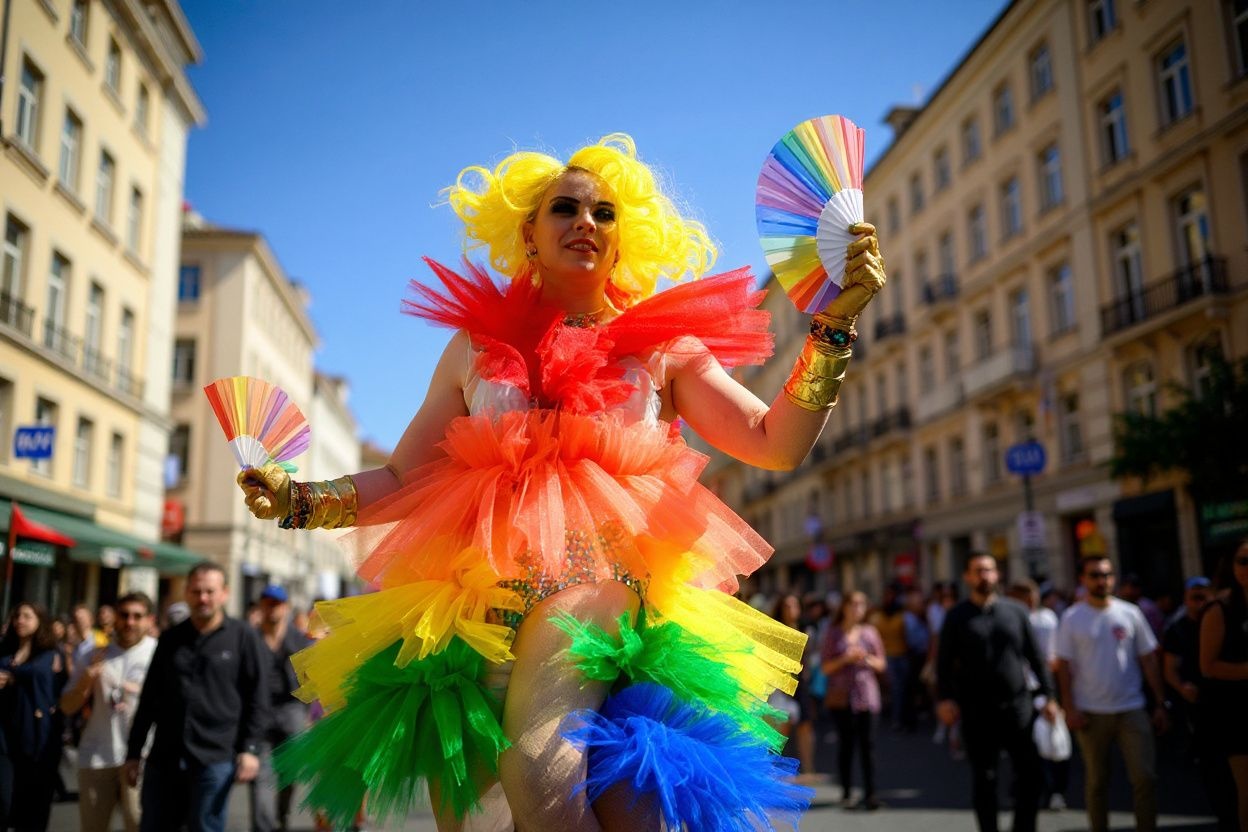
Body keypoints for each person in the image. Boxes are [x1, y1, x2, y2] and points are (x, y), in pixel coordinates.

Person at [235, 134, 887, 830]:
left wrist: (834, 325)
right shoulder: (476, 349)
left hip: (599, 590)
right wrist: (300, 500)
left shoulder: (663, 345)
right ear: (528, 231)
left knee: (542, 768)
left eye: (605, 213)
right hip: (478, 614)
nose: (586, 222)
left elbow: (773, 441)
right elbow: (402, 476)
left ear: (623, 236)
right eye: (566, 208)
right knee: (493, 813)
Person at [124, 561, 270, 832]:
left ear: (224, 593)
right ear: (186, 593)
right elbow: (149, 699)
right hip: (165, 757)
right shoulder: (170, 639)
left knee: (205, 827)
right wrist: (134, 752)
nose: (203, 598)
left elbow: (258, 698)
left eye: (210, 591)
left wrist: (250, 749)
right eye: (196, 591)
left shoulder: (243, 637)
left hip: (214, 758)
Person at [936, 554, 1057, 832]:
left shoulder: (1015, 611)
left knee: (1030, 774)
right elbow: (943, 663)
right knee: (985, 778)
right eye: (978, 571)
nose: (985, 576)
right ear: (967, 577)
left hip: (1017, 705)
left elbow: (1035, 656)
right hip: (976, 709)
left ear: (997, 574)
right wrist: (944, 699)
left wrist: (1050, 697)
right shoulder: (956, 616)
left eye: (989, 570)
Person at [1055, 555, 1168, 832]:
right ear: (1083, 580)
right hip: (1091, 712)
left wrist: (1160, 703)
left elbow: (1148, 659)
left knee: (1145, 778)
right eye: (1094, 575)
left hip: (1131, 707)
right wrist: (1069, 708)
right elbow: (1064, 667)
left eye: (1106, 575)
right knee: (1097, 782)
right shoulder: (1072, 617)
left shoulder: (1130, 613)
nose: (1101, 581)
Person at [59, 592, 157, 832]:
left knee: (139, 824)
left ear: (149, 620)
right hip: (97, 756)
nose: (130, 622)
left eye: (137, 616)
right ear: (115, 618)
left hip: (144, 756)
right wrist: (86, 680)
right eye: (124, 615)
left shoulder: (158, 653)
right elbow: (67, 706)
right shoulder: (93, 653)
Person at [250, 584, 312, 832]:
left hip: (292, 711)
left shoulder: (297, 639)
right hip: (259, 714)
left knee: (290, 773)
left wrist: (309, 714)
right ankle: (264, 827)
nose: (271, 609)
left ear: (285, 607)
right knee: (260, 776)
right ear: (261, 607)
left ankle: (282, 816)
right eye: (267, 604)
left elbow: (310, 679)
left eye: (276, 604)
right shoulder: (251, 636)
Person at [0, 603, 65, 831]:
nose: (20, 620)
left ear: (39, 622)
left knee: (33, 809)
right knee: (5, 802)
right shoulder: (6, 652)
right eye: (17, 615)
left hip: (37, 738)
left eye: (27, 616)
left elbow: (39, 671)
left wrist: (12, 675)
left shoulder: (50, 655)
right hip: (6, 738)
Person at [1004, 578, 1067, 811]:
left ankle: (1054, 790)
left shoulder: (1046, 620)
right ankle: (1024, 787)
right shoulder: (1009, 618)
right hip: (1019, 691)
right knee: (1022, 742)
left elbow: (1051, 659)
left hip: (1040, 689)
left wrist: (1050, 695)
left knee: (1050, 742)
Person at [1199, 541, 1248, 832]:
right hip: (1236, 712)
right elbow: (1208, 666)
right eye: (1243, 561)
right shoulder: (1220, 609)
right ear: (1231, 566)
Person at [821, 590, 885, 810]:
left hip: (867, 696)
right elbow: (825, 667)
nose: (857, 608)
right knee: (846, 746)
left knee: (869, 747)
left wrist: (865, 658)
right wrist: (845, 659)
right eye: (853, 603)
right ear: (845, 607)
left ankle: (871, 794)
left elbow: (881, 664)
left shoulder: (870, 633)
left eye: (861, 604)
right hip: (842, 697)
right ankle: (847, 792)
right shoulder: (833, 633)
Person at [771, 593, 819, 781]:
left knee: (806, 726)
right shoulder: (777, 631)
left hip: (802, 684)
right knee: (782, 727)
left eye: (794, 606)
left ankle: (808, 767)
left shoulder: (805, 629)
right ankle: (776, 767)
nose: (791, 610)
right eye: (787, 606)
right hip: (782, 683)